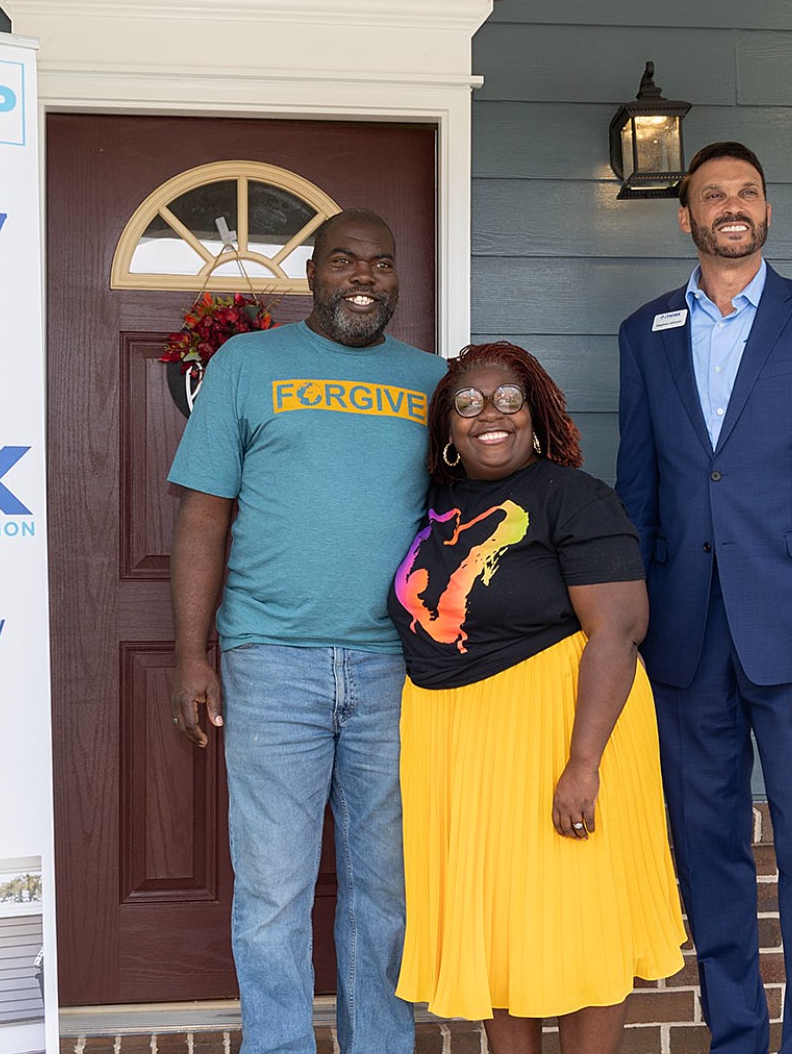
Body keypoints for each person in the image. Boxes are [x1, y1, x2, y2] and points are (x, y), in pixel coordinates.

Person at [615, 140, 792, 1054]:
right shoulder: (644, 330)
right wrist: (638, 632)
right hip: (686, 642)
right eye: (713, 195)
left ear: (767, 212)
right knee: (708, 854)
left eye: (749, 192)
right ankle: (736, 1037)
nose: (732, 205)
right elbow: (640, 492)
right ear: (685, 217)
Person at [168, 208, 445, 1054]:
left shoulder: (436, 381)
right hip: (271, 659)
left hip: (397, 666)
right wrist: (192, 654)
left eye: (382, 264)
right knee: (274, 888)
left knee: (384, 889)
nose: (364, 277)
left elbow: (473, 520)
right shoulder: (249, 365)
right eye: (344, 262)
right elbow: (203, 517)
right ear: (313, 274)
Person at [388, 342, 687, 1053]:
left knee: (577, 917)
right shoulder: (436, 503)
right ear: (446, 429)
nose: (489, 416)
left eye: (507, 401)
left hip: (556, 727)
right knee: (497, 922)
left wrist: (583, 764)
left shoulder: (573, 497)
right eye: (467, 404)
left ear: (536, 414)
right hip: (458, 743)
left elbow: (619, 631)